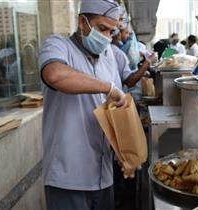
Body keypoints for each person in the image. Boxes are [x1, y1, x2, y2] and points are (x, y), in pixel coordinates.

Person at [39, 1, 149, 209]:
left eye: (111, 31)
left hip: (103, 174)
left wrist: (125, 153)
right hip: (68, 177)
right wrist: (107, 87)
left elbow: (113, 111)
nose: (107, 37)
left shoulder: (109, 57)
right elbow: (55, 75)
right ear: (83, 22)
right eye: (102, 29)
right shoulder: (58, 45)